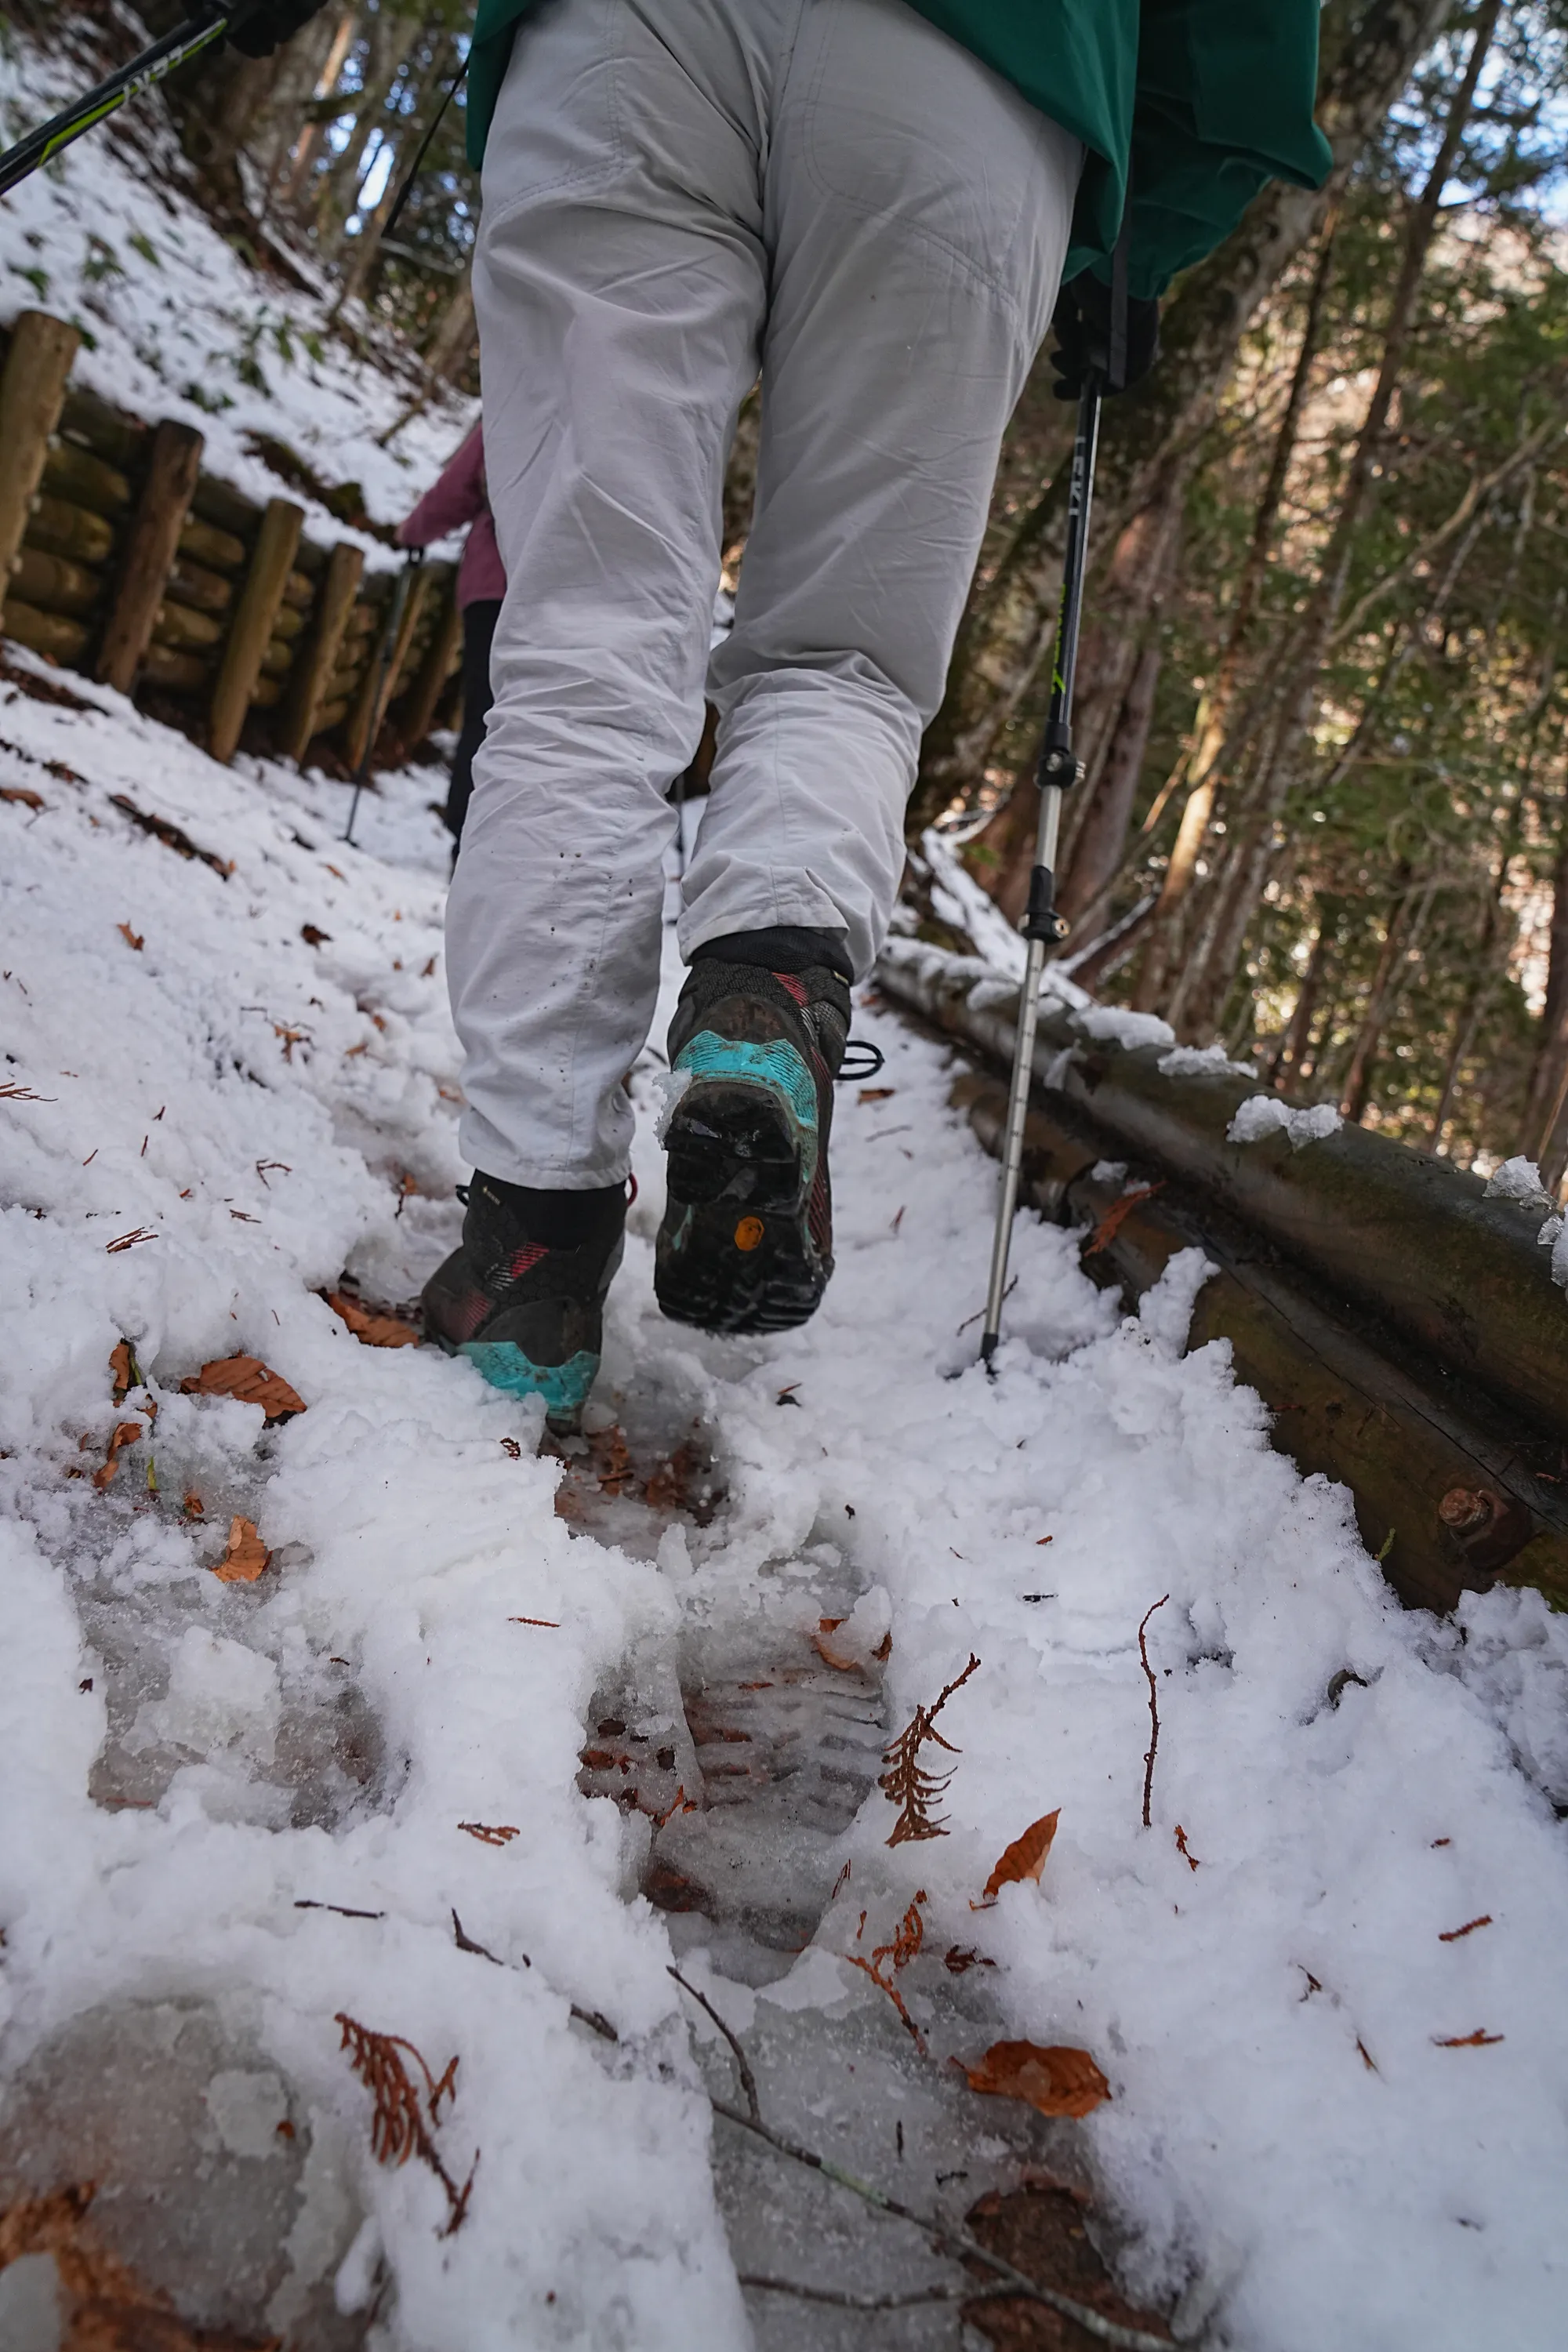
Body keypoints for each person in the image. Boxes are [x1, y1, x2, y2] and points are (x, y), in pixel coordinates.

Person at [236, 0, 1330, 1432]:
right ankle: (764, 999)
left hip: (624, 39)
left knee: (580, 651)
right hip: (982, 71)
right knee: (844, 659)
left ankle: (529, 1257)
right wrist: (1147, 231)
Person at [397, 423, 504, 851]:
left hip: (494, 586)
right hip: (569, 600)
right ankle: (496, 842)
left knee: (486, 713)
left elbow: (459, 485)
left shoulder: (523, 393)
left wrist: (413, 531)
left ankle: (466, 833)